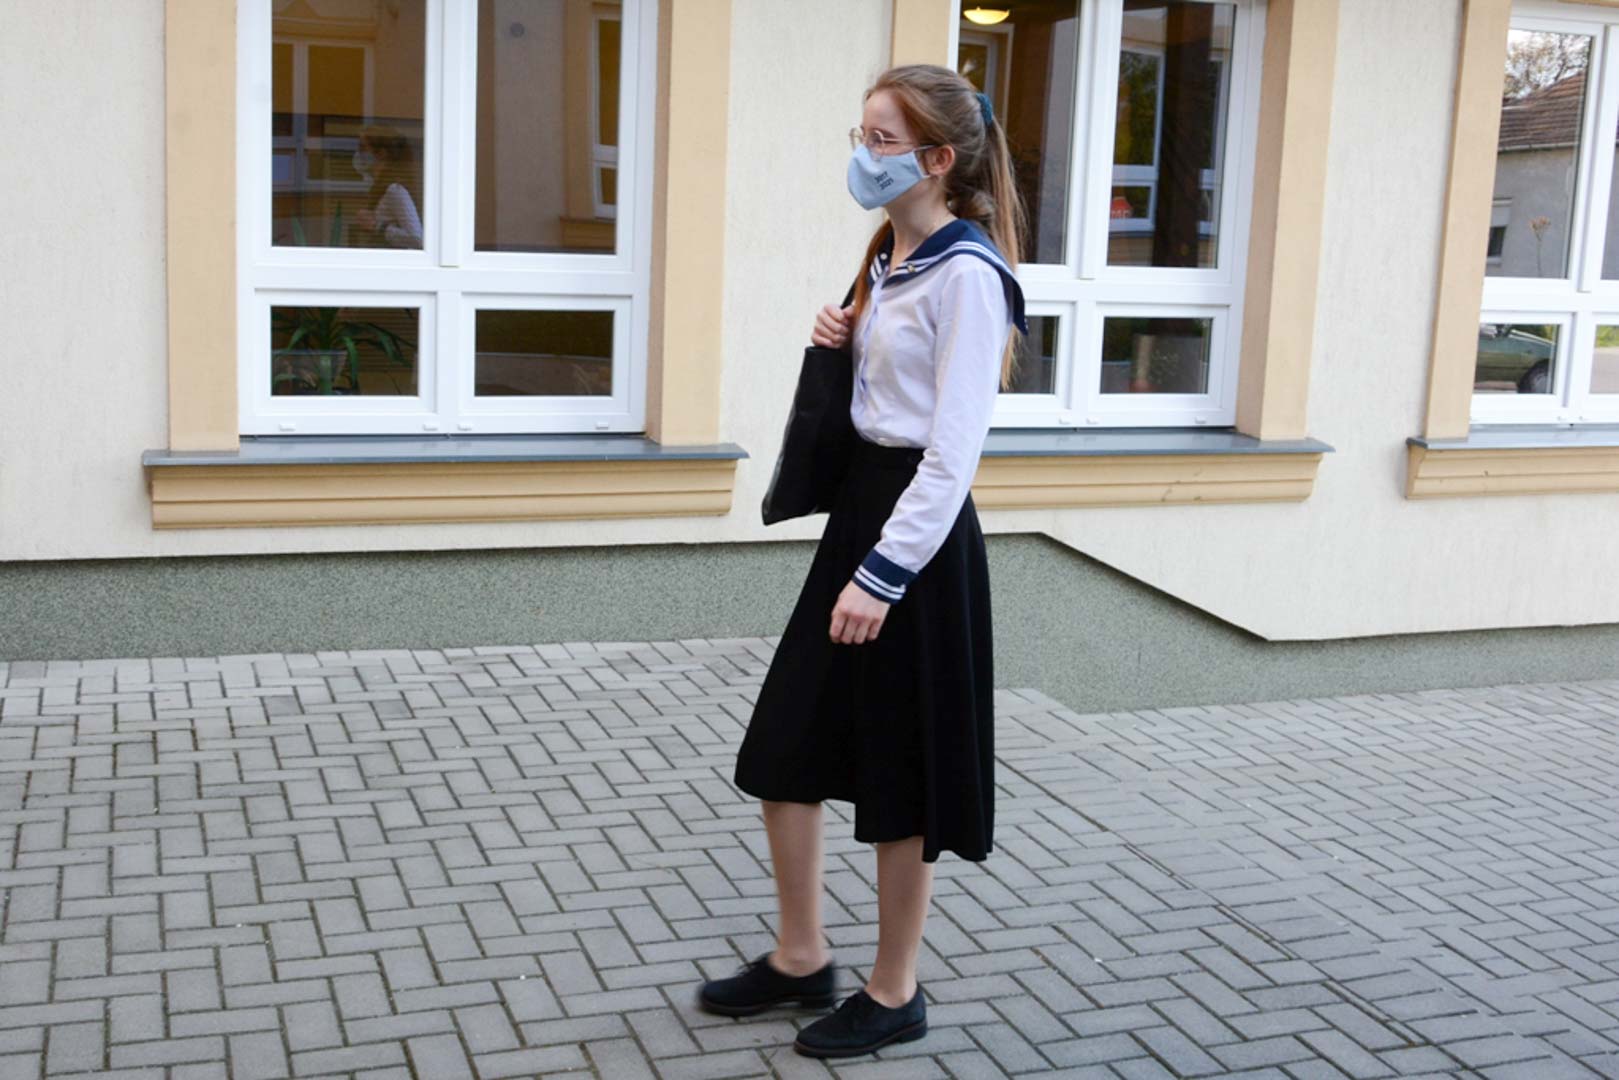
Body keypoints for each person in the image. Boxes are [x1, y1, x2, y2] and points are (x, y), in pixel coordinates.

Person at [697, 64, 1028, 1059]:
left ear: (936, 159)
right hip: (863, 516)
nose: (863, 155)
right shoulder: (888, 255)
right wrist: (837, 344)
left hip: (915, 542)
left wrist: (883, 576)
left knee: (900, 769)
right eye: (862, 134)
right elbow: (879, 410)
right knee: (784, 746)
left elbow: (951, 453)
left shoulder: (968, 276)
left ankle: (894, 989)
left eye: (881, 140)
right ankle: (801, 957)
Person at [350, 125, 423, 249]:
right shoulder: (380, 187)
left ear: (382, 153)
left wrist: (377, 226)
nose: (358, 154)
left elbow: (417, 239)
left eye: (363, 148)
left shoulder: (395, 190)